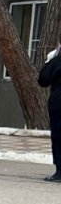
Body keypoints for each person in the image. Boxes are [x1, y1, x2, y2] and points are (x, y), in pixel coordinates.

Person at [37, 45, 61, 182]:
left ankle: (60, 172)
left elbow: (43, 79)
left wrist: (50, 60)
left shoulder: (57, 59)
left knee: (58, 138)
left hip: (58, 104)